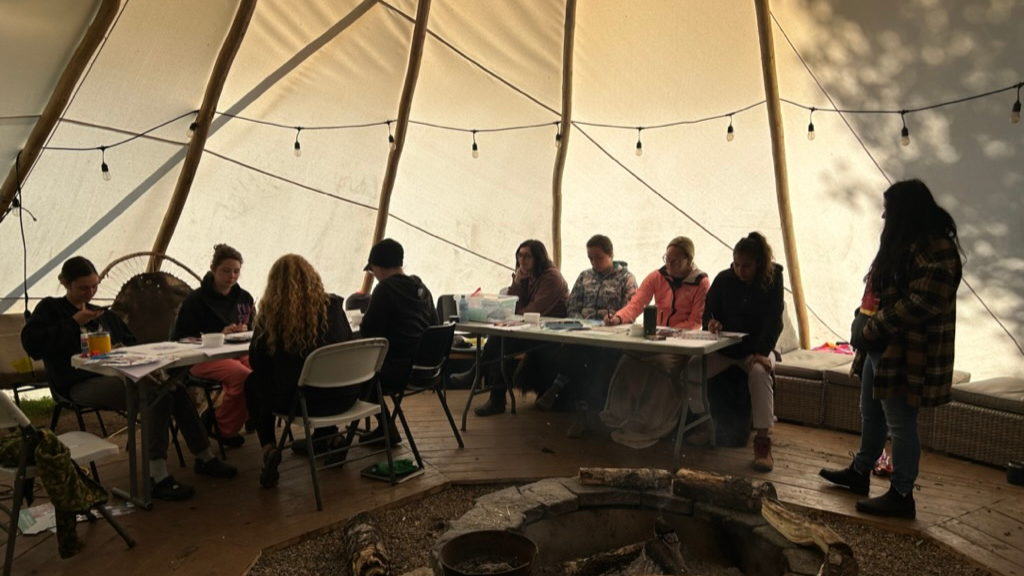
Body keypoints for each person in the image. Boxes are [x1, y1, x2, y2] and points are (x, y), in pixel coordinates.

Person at [20, 256, 236, 501]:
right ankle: (157, 475)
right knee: (155, 396)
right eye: (83, 288)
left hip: (118, 374)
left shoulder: (102, 314)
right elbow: (32, 344)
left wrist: (123, 349)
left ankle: (205, 456)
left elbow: (131, 342)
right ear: (65, 283)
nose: (90, 293)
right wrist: (72, 323)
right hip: (77, 382)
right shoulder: (51, 309)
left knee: (173, 389)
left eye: (94, 286)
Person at [820, 180, 963, 519]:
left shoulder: (937, 249)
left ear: (907, 211)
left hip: (909, 352)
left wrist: (874, 326)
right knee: (871, 412)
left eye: (889, 210)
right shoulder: (905, 242)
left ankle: (901, 494)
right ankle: (860, 471)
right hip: (882, 348)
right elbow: (882, 289)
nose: (884, 216)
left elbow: (922, 302)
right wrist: (864, 319)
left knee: (900, 424)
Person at [244, 255, 356, 488]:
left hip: (303, 404)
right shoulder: (334, 308)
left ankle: (269, 448)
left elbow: (256, 362)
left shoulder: (272, 316)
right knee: (320, 380)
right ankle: (332, 437)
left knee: (254, 382)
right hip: (345, 398)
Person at [598, 236, 709, 448]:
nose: (670, 265)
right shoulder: (657, 276)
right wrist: (618, 318)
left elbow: (696, 321)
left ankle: (652, 422)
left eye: (676, 261)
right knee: (628, 360)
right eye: (667, 259)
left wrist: (667, 333)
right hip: (655, 340)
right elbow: (636, 304)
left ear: (689, 260)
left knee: (662, 366)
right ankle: (620, 415)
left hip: (679, 346)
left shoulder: (701, 282)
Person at [686, 232, 784, 472]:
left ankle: (762, 442)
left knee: (760, 374)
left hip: (757, 350)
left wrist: (762, 352)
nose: (741, 271)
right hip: (725, 349)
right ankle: (704, 423)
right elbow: (709, 312)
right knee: (691, 369)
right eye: (736, 265)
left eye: (746, 266)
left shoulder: (772, 280)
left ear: (758, 263)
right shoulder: (724, 279)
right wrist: (712, 324)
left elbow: (774, 321)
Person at [455, 239, 569, 417]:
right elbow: (512, 305)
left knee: (503, 343)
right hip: (530, 329)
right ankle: (489, 389)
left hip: (551, 333)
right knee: (500, 338)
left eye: (527, 256)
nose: (522, 260)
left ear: (538, 258)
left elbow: (533, 310)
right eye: (519, 255)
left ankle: (486, 385)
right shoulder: (525, 275)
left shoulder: (551, 277)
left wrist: (514, 313)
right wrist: (516, 282)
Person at [533, 235, 637, 426]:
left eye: (598, 257)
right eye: (590, 258)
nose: (594, 262)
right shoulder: (584, 276)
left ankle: (559, 388)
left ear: (610, 254)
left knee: (582, 355)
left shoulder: (626, 279)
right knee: (574, 351)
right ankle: (581, 411)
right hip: (583, 330)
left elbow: (630, 308)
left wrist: (614, 320)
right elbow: (572, 303)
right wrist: (579, 322)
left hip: (610, 333)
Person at [171, 244, 254, 448]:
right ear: (213, 268)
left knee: (262, 372)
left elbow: (252, 330)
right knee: (243, 377)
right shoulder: (195, 301)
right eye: (226, 271)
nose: (232, 276)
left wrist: (243, 331)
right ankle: (220, 426)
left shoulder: (245, 298)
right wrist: (218, 335)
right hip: (202, 357)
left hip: (236, 352)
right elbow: (181, 339)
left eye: (236, 271)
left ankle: (238, 417)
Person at [359, 238, 439, 442]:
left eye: (372, 270)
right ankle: (385, 428)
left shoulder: (384, 290)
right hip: (428, 369)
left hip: (398, 371)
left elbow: (369, 332)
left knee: (357, 375)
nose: (374, 275)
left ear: (378, 266)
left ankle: (386, 427)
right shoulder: (422, 289)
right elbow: (436, 326)